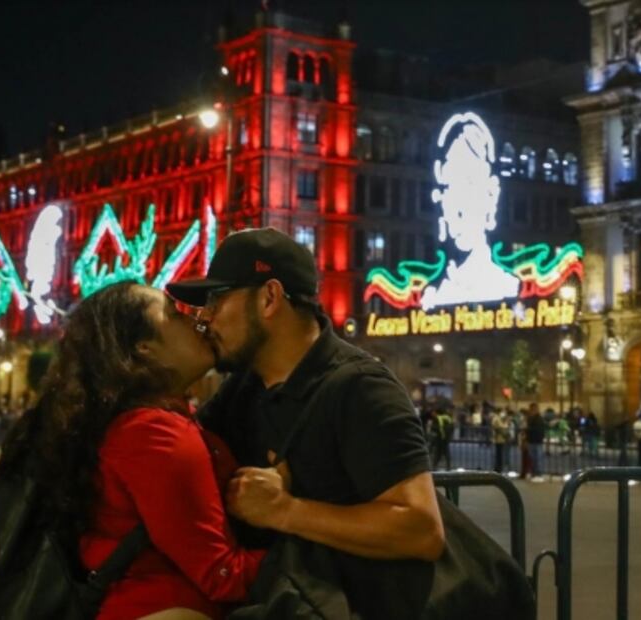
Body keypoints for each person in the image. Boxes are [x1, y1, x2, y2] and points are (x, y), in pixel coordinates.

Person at [167, 228, 445, 615]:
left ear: (269, 298)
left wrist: (285, 510)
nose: (206, 317)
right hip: (280, 601)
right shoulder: (243, 388)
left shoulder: (359, 388)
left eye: (217, 299)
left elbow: (421, 529)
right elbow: (184, 453)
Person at [0, 282, 264, 620]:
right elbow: (221, 575)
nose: (194, 319)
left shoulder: (135, 421)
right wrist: (317, 549)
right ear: (144, 349)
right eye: (172, 314)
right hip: (165, 608)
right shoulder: (154, 433)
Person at [420, 113, 519, 309]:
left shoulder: (507, 286)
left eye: (469, 183)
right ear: (440, 199)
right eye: (451, 186)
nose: (459, 205)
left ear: (492, 195)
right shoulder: (431, 297)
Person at [525, 403, 546, 481]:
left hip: (537, 441)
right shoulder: (530, 418)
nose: (532, 411)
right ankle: (534, 473)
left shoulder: (539, 419)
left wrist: (528, 429)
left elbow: (539, 430)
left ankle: (538, 474)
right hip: (532, 441)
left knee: (538, 458)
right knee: (533, 458)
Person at [491, 408, 510, 473]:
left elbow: (504, 426)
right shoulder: (497, 418)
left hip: (501, 439)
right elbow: (497, 427)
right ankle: (499, 467)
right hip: (499, 439)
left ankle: (499, 468)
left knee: (500, 454)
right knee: (499, 454)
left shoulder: (500, 418)